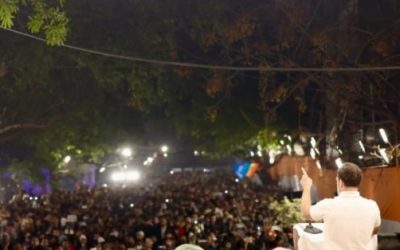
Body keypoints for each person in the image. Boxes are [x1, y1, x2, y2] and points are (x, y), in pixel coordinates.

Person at [300, 162, 381, 249]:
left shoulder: (328, 205)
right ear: (359, 183)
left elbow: (306, 214)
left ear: (341, 183)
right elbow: (376, 229)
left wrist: (307, 187)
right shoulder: (372, 206)